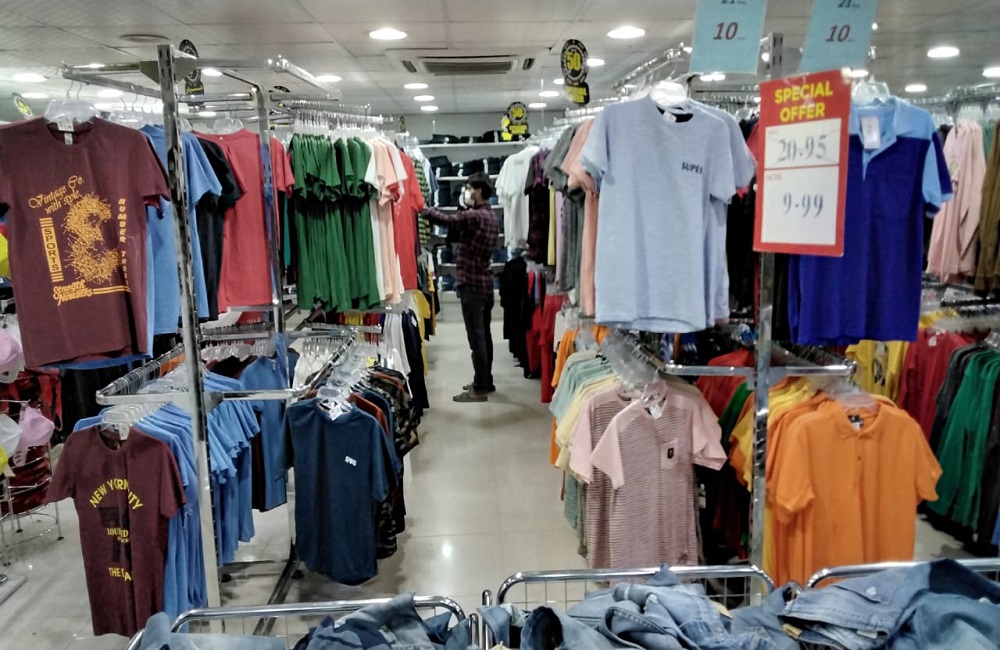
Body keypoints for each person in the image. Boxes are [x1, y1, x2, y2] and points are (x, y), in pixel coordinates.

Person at [422, 172, 500, 402]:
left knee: (476, 339)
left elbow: (449, 222)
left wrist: (423, 209)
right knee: (484, 335)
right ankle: (485, 380)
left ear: (479, 190)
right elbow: (457, 231)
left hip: (472, 285)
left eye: (469, 187)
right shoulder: (490, 216)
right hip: (484, 284)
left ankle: (480, 388)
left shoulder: (475, 216)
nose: (467, 191)